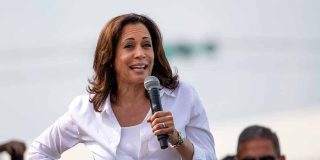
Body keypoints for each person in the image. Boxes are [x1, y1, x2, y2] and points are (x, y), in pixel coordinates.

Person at [28, 13, 216, 160]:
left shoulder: (184, 96)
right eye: (129, 46)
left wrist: (177, 139)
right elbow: (39, 152)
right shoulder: (87, 109)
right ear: (110, 57)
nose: (140, 53)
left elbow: (209, 157)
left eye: (146, 45)